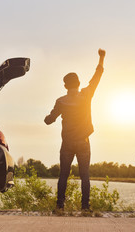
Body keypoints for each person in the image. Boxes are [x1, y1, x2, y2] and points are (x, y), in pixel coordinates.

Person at [44, 48, 106, 212]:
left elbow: (49, 120)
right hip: (84, 142)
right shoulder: (86, 95)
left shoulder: (61, 101)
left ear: (65, 85)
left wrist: (48, 118)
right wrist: (101, 58)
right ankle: (85, 207)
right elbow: (97, 75)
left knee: (63, 175)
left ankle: (59, 206)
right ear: (78, 83)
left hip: (67, 143)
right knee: (85, 175)